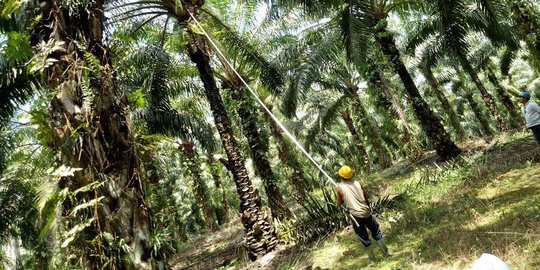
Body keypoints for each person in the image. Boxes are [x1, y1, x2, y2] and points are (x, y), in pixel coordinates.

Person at [335, 165, 390, 261]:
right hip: (366, 212)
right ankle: (386, 252)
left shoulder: (340, 188)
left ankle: (373, 260)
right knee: (376, 232)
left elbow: (339, 203)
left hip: (355, 216)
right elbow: (366, 196)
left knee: (363, 237)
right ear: (351, 175)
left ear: (341, 177)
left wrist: (340, 193)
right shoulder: (357, 183)